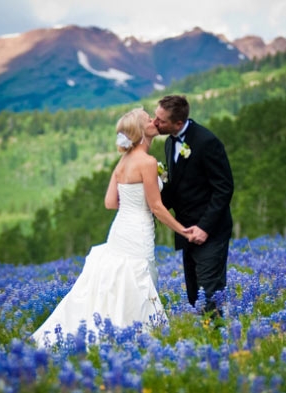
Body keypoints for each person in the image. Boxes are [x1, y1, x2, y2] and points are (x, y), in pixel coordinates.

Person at [32, 108, 192, 347]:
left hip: (120, 229)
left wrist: (132, 203)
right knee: (136, 277)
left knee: (117, 279)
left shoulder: (123, 161)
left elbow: (110, 202)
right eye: (148, 119)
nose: (153, 121)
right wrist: (183, 231)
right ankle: (136, 335)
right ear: (141, 131)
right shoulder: (147, 162)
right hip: (138, 230)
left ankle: (110, 331)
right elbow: (157, 207)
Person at [154, 95, 234, 317]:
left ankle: (217, 343)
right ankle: (207, 341)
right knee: (194, 295)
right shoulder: (170, 142)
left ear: (178, 123)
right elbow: (177, 187)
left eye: (160, 120)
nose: (155, 123)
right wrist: (151, 205)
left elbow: (224, 188)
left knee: (210, 294)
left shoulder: (207, 142)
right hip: (185, 230)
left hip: (211, 231)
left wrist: (205, 227)